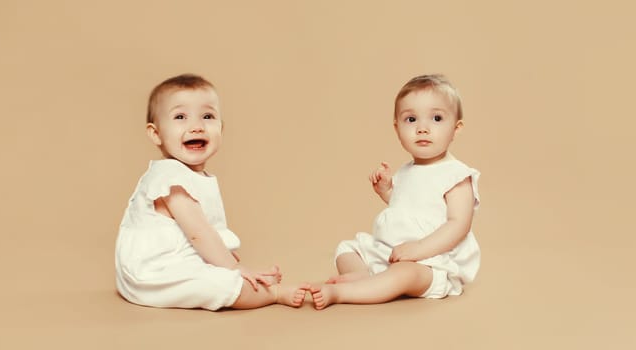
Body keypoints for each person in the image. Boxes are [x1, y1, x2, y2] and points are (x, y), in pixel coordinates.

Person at [115, 74, 309, 310]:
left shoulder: (192, 176)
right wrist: (235, 269)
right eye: (180, 117)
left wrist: (228, 260)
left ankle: (251, 282)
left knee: (222, 272)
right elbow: (199, 233)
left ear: (221, 128)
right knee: (225, 285)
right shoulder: (169, 177)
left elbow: (203, 235)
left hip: (176, 263)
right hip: (154, 273)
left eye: (207, 116)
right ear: (156, 134)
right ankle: (273, 293)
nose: (196, 126)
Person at [311, 74, 481, 309]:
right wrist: (387, 192)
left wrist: (419, 250)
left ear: (456, 128)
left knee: (405, 274)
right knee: (347, 249)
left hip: (430, 263)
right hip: (390, 251)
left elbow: (458, 224)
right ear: (397, 128)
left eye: (437, 118)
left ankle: (343, 293)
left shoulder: (456, 175)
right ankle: (363, 277)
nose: (423, 128)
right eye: (411, 119)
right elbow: (409, 207)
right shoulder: (407, 170)